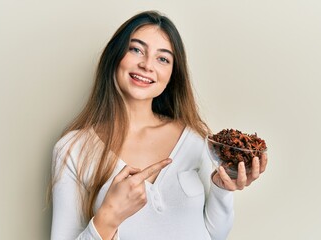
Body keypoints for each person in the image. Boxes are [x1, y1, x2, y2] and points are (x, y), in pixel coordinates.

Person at [50, 10, 268, 240]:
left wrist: (222, 188)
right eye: (136, 49)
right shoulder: (72, 150)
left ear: (172, 74)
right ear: (115, 56)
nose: (147, 65)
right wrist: (108, 217)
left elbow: (215, 234)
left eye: (162, 58)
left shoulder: (195, 140)